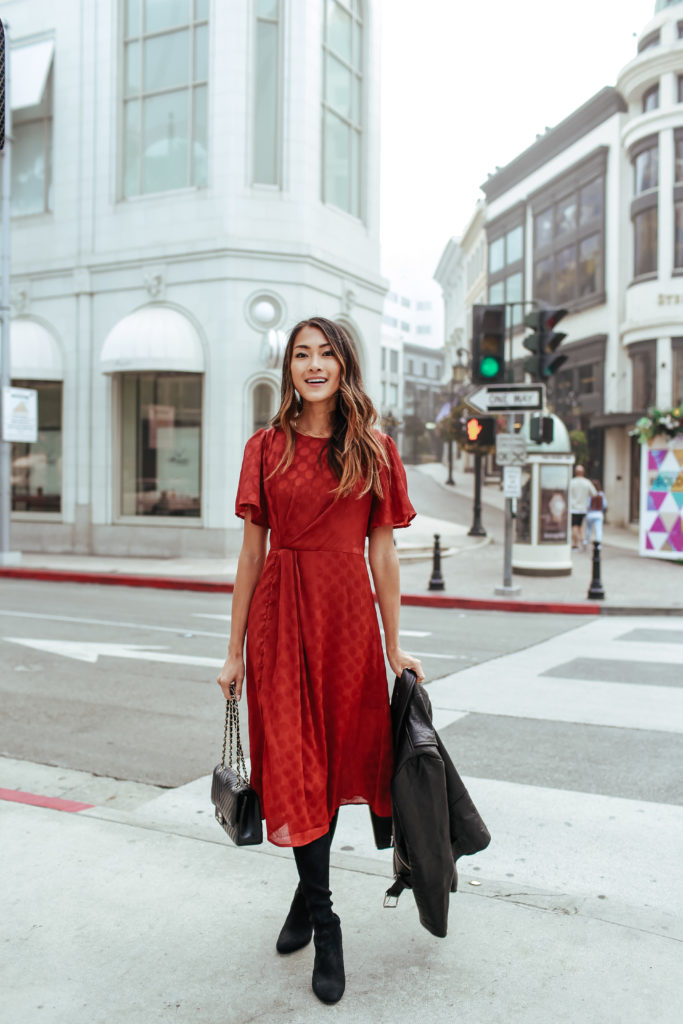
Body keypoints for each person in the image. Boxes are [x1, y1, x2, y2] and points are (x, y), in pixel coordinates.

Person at [216, 317, 424, 1006]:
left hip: (345, 622)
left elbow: (383, 554)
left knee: (332, 763)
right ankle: (327, 922)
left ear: (344, 367)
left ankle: (304, 902)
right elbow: (250, 554)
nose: (312, 365)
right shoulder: (265, 447)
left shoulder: (374, 449)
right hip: (279, 618)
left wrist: (393, 645)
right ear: (289, 370)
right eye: (300, 354)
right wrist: (232, 652)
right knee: (298, 761)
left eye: (324, 354)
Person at [569, 465, 597, 550]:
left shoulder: (571, 482)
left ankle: (575, 544)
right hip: (583, 508)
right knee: (581, 525)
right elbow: (594, 493)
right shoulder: (587, 482)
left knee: (574, 526)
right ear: (583, 472)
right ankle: (583, 539)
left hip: (573, 508)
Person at [585, 479, 607, 546]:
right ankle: (598, 543)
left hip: (590, 514)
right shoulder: (601, 495)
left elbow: (587, 505)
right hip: (598, 514)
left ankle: (587, 541)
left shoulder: (589, 495)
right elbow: (605, 505)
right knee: (598, 529)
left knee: (588, 529)